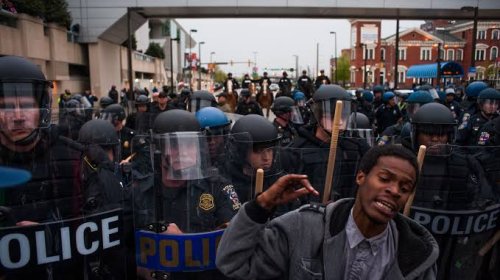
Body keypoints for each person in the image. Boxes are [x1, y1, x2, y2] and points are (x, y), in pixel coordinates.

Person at [216, 144, 439, 280]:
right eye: (385, 178)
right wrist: (261, 206)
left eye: (405, 188)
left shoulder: (417, 257)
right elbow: (233, 264)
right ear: (361, 177)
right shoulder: (304, 228)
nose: (394, 191)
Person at [0, 56, 85, 279]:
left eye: (27, 105)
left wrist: (49, 236)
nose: (18, 116)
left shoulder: (73, 157)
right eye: (6, 107)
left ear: (42, 108)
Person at [131, 109, 240, 280]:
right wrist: (140, 268)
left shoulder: (217, 187)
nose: (182, 152)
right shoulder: (138, 191)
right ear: (158, 149)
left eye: (190, 144)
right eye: (174, 145)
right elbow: (121, 249)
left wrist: (182, 244)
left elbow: (235, 240)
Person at [290, 84, 370, 201]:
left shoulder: (357, 147)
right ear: (317, 115)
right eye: (331, 116)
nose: (340, 121)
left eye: (344, 115)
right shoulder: (297, 149)